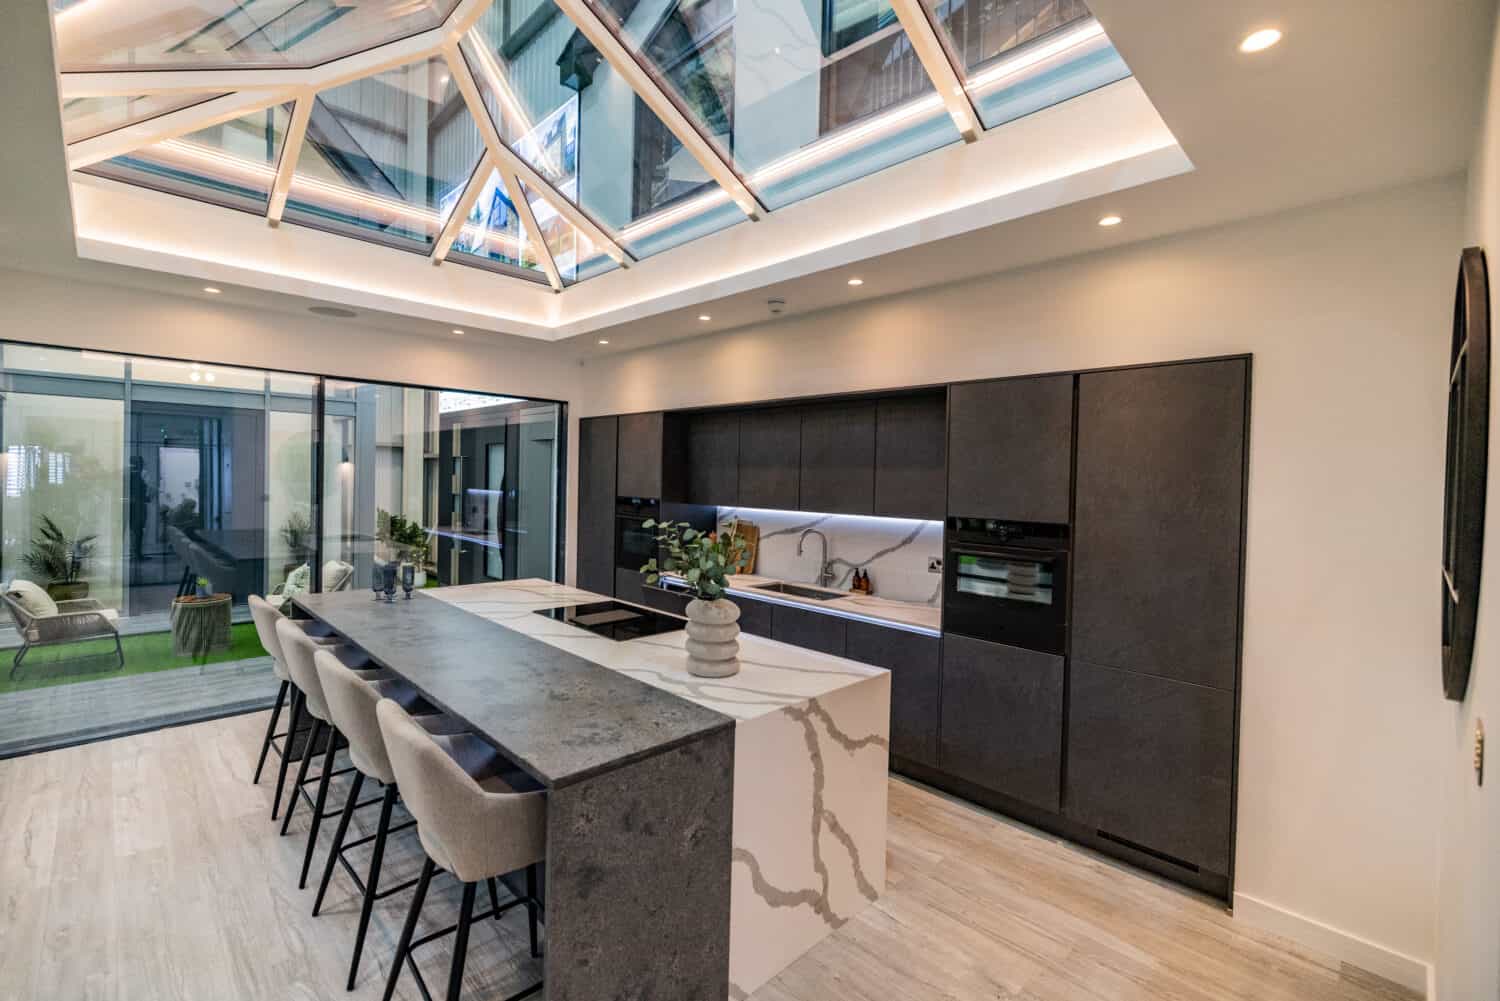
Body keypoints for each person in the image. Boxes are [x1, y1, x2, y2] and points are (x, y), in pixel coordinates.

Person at [128, 456, 152, 560]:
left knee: (138, 532)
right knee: (137, 532)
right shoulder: (135, 476)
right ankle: (136, 555)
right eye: (140, 463)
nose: (142, 465)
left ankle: (137, 554)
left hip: (136, 507)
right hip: (136, 508)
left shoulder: (134, 476)